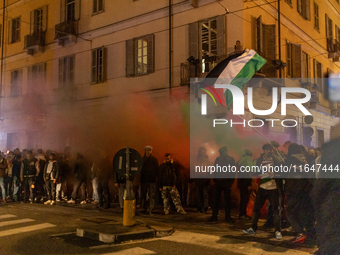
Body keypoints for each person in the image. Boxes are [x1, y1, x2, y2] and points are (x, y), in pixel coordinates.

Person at [243, 143, 283, 240]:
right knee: (256, 208)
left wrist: (275, 174)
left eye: (271, 149)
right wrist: (253, 172)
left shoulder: (277, 159)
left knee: (275, 210)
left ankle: (278, 230)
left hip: (273, 188)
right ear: (264, 150)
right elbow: (258, 171)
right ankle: (253, 227)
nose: (269, 151)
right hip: (262, 187)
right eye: (267, 149)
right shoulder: (260, 160)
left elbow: (282, 172)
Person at [284, 143, 315, 244]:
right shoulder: (306, 159)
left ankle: (300, 232)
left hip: (293, 190)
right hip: (304, 190)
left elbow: (284, 174)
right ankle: (308, 234)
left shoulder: (289, 160)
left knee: (290, 212)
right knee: (303, 211)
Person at [208, 146, 235, 223]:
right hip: (220, 182)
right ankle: (217, 216)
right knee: (217, 200)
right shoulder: (219, 159)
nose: (220, 153)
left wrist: (230, 182)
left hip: (225, 182)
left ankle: (225, 216)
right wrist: (214, 179)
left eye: (221, 152)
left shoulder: (229, 159)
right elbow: (215, 169)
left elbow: (233, 171)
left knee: (225, 200)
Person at [140, 146, 159, 215]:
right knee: (143, 195)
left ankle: (151, 209)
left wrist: (154, 177)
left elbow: (157, 170)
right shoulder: (142, 160)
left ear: (151, 151)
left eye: (149, 150)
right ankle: (144, 208)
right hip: (144, 180)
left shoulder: (154, 160)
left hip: (151, 180)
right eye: (147, 150)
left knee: (152, 196)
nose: (148, 151)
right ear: (145, 151)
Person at [237, 149, 253, 220]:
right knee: (245, 199)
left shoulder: (240, 161)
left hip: (241, 183)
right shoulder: (247, 160)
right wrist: (249, 184)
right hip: (245, 183)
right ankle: (242, 214)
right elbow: (248, 174)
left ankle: (242, 213)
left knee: (243, 199)